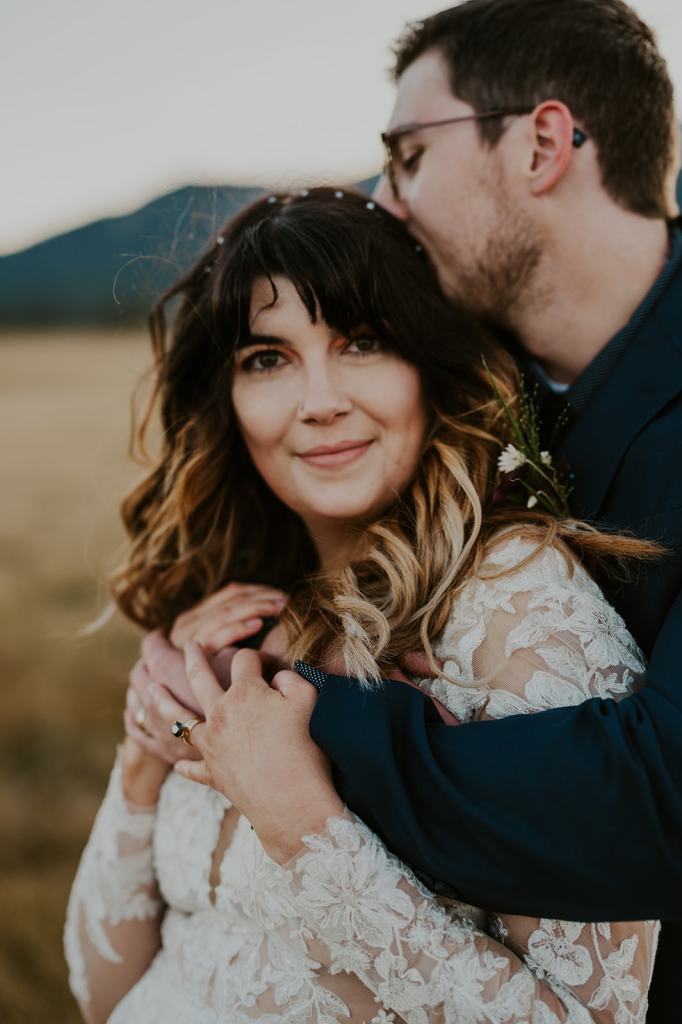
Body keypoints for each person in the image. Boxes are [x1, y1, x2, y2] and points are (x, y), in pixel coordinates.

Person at [65, 188, 660, 1023]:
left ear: (428, 364)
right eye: (267, 359)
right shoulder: (239, 614)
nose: (320, 400)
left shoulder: (511, 606)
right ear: (228, 398)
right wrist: (142, 753)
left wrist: (304, 827)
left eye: (363, 342)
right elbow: (103, 992)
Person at [201, 1, 680, 1020]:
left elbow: (662, 798)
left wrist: (303, 704)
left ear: (543, 144)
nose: (387, 198)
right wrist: (212, 654)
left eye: (409, 154)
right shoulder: (473, 387)